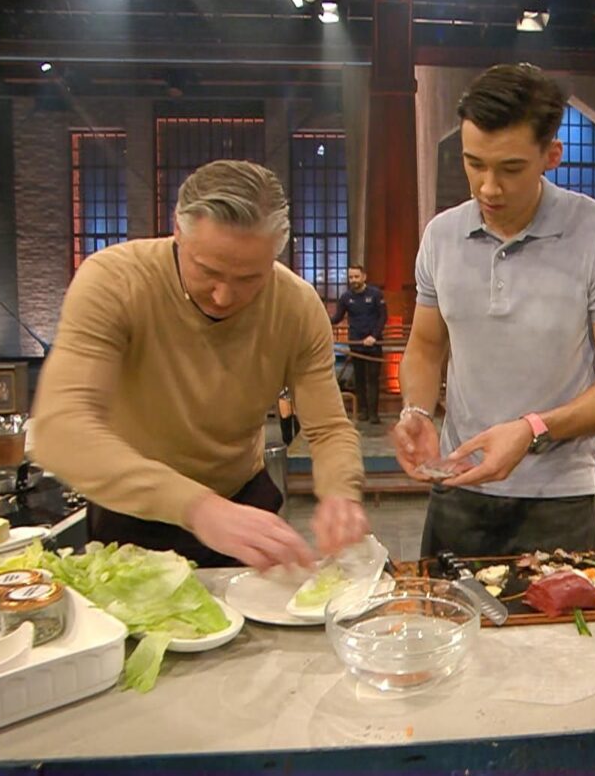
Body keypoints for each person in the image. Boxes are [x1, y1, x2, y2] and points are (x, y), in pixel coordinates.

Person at [31, 160, 369, 569]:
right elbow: (60, 428)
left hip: (242, 504)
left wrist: (339, 494)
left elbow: (329, 429)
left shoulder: (296, 306)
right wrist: (197, 507)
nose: (224, 296)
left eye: (250, 279)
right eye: (208, 271)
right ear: (177, 230)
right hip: (134, 511)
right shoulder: (114, 282)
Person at [393, 63, 595, 556]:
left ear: (551, 155)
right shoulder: (442, 236)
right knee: (449, 625)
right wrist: (417, 411)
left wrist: (533, 430)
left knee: (553, 634)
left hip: (557, 497)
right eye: (474, 164)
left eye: (510, 168)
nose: (489, 187)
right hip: (459, 485)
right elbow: (425, 348)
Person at [331, 264, 388, 425]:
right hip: (356, 344)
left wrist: (374, 336)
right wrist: (320, 320)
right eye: (351, 277)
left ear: (364, 276)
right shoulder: (345, 297)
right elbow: (337, 318)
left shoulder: (375, 294)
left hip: (373, 345)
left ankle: (373, 414)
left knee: (372, 379)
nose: (353, 280)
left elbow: (383, 317)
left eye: (356, 276)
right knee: (360, 379)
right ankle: (363, 411)